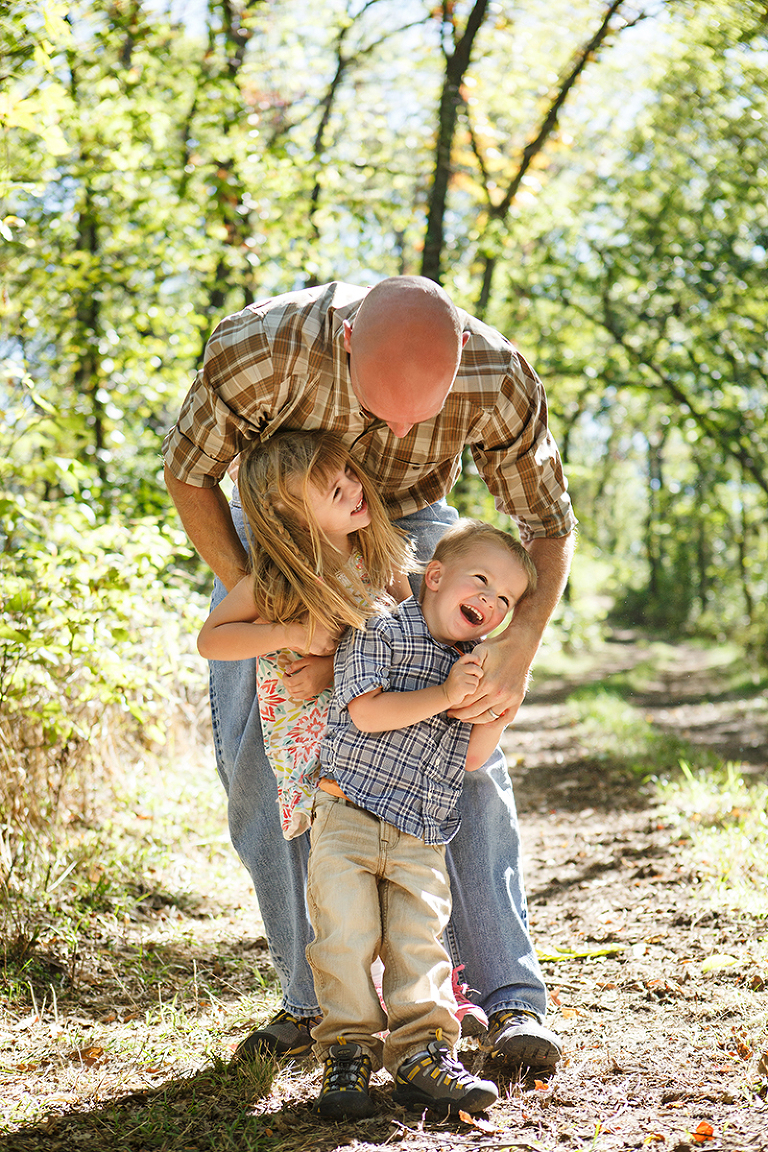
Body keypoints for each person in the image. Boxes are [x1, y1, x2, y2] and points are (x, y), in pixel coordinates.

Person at [162, 275, 577, 1075]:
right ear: (345, 340)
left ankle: (507, 995)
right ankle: (313, 998)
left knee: (464, 743)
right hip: (288, 521)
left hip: (415, 529)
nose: (394, 430)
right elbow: (189, 473)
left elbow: (547, 523)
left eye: (419, 416)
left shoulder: (498, 375)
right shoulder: (259, 348)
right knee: (267, 766)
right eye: (382, 407)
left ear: (461, 361)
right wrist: (287, 607)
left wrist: (515, 648)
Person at [309, 521, 535, 1120]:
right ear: (435, 577)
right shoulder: (378, 631)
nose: (490, 601)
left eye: (506, 599)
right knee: (345, 937)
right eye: (481, 581)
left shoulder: (473, 666)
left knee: (419, 943)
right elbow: (364, 713)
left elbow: (471, 757)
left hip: (419, 834)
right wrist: (443, 694)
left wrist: (499, 709)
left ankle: (421, 1053)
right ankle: (348, 1054)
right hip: (349, 817)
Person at [196, 429, 414, 840]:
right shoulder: (279, 583)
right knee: (338, 861)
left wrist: (333, 667)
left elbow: (409, 639)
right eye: (335, 492)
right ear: (295, 520)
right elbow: (211, 641)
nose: (355, 487)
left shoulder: (380, 560)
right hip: (314, 757)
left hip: (378, 743)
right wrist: (290, 634)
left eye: (349, 471)